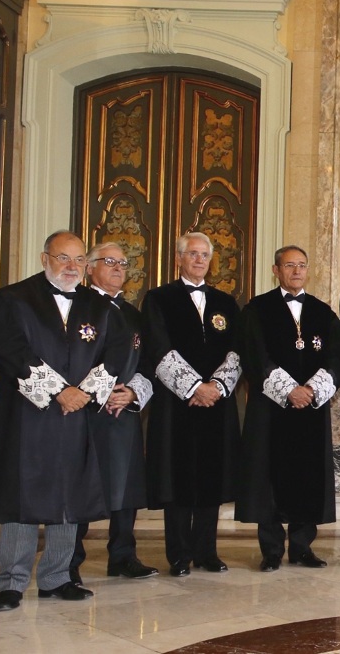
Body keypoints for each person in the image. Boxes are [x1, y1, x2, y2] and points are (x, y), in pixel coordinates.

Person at [0, 231, 127, 611]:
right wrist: (59, 391)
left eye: (79, 260)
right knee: (23, 496)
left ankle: (57, 577)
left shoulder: (99, 307)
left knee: (71, 494)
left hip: (77, 416)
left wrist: (85, 392)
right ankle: (11, 583)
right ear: (45, 258)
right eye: (64, 258)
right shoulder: (12, 299)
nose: (72, 267)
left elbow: (115, 351)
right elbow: (9, 348)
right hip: (29, 415)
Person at [236, 246, 340, 572]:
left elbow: (338, 359)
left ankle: (302, 548)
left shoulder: (323, 312)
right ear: (276, 270)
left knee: (307, 476)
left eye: (301, 265)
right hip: (271, 411)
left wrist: (311, 391)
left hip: (310, 411)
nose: (296, 271)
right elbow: (254, 355)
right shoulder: (257, 310)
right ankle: (271, 551)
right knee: (268, 476)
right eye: (289, 266)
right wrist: (288, 390)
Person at [144, 232, 242, 577]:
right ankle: (179, 554)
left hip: (217, 403)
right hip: (177, 404)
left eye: (204, 255)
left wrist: (216, 386)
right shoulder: (159, 299)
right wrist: (193, 387)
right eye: (193, 254)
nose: (199, 260)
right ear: (179, 258)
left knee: (210, 478)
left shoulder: (226, 303)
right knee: (179, 477)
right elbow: (158, 347)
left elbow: (235, 350)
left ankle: (207, 551)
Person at [71, 243, 159, 584]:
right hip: (83, 412)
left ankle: (122, 556)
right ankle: (69, 562)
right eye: (110, 262)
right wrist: (100, 391)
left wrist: (132, 391)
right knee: (81, 484)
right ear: (90, 267)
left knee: (126, 487)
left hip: (123, 412)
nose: (119, 268)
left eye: (124, 263)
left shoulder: (133, 314)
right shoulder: (77, 307)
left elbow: (147, 363)